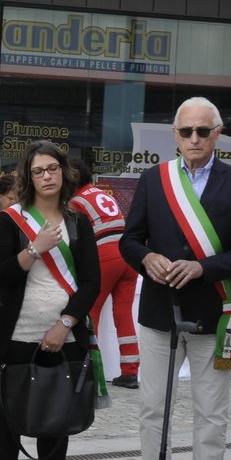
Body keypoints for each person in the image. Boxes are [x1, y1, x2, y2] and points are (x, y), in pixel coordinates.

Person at [117, 97, 231, 460]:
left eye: (203, 131)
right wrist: (146, 259)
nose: (194, 139)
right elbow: (129, 239)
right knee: (151, 407)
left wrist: (203, 267)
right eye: (186, 132)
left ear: (217, 134)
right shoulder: (153, 180)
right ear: (175, 136)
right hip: (160, 310)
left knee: (211, 411)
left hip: (211, 309)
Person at [0, 142, 100, 460]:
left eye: (52, 169)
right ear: (27, 178)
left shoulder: (79, 221)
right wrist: (35, 248)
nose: (46, 176)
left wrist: (65, 323)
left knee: (57, 415)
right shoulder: (13, 220)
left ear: (64, 172)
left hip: (64, 334)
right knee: (8, 416)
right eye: (38, 171)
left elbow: (91, 282)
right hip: (14, 334)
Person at [68, 155, 140, 388]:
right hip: (127, 256)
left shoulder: (76, 201)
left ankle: (88, 369)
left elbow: (73, 239)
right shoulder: (101, 194)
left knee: (91, 312)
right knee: (124, 315)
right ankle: (130, 371)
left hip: (105, 254)